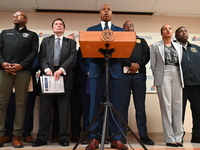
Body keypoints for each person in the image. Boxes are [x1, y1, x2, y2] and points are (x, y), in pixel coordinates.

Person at [85, 4, 128, 150]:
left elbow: (125, 52)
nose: (106, 11)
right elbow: (87, 50)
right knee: (95, 105)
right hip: (97, 70)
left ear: (112, 13)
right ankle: (94, 138)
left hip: (114, 71)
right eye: (103, 9)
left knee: (116, 104)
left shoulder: (120, 31)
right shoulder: (91, 30)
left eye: (108, 9)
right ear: (99, 13)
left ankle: (116, 138)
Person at [32, 18, 77, 147]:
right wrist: (47, 69)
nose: (58, 26)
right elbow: (42, 57)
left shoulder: (71, 43)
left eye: (61, 24)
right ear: (52, 28)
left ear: (64, 28)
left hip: (64, 77)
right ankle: (42, 137)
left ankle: (63, 137)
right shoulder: (46, 41)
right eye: (56, 24)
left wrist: (62, 70)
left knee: (63, 111)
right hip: (48, 77)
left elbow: (72, 58)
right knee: (45, 110)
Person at [0, 11, 39, 148]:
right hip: (4, 71)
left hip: (23, 72)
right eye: (14, 15)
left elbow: (34, 53)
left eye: (19, 15)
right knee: (2, 103)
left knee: (21, 104)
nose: (15, 16)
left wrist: (21, 65)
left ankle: (17, 135)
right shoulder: (5, 33)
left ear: (26, 20)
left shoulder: (32, 35)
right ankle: (1, 133)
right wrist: (3, 63)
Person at [120, 20, 154, 145]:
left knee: (140, 106)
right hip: (124, 76)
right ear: (123, 29)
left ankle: (143, 135)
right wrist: (130, 64)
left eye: (131, 25)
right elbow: (118, 56)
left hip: (139, 76)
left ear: (134, 28)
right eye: (126, 26)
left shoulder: (142, 41)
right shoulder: (119, 41)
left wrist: (138, 64)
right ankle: (122, 134)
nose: (129, 27)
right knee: (123, 106)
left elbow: (146, 55)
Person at [150, 25, 184, 147]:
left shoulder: (179, 46)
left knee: (177, 106)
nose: (168, 30)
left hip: (177, 73)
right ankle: (169, 138)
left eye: (170, 28)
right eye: (165, 29)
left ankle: (178, 136)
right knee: (166, 106)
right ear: (161, 33)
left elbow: (181, 63)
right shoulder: (155, 46)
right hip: (163, 73)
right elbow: (153, 65)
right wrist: (158, 77)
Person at [3, 57, 40, 144]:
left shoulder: (32, 47)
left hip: (28, 77)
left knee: (28, 106)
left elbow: (37, 61)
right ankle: (9, 133)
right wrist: (12, 68)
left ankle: (27, 133)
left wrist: (22, 68)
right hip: (10, 76)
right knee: (10, 106)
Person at [175, 26, 200, 143]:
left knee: (198, 110)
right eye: (180, 31)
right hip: (181, 84)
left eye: (185, 31)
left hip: (197, 84)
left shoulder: (196, 48)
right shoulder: (174, 48)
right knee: (179, 111)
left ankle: (197, 136)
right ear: (176, 36)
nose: (183, 32)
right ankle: (179, 135)